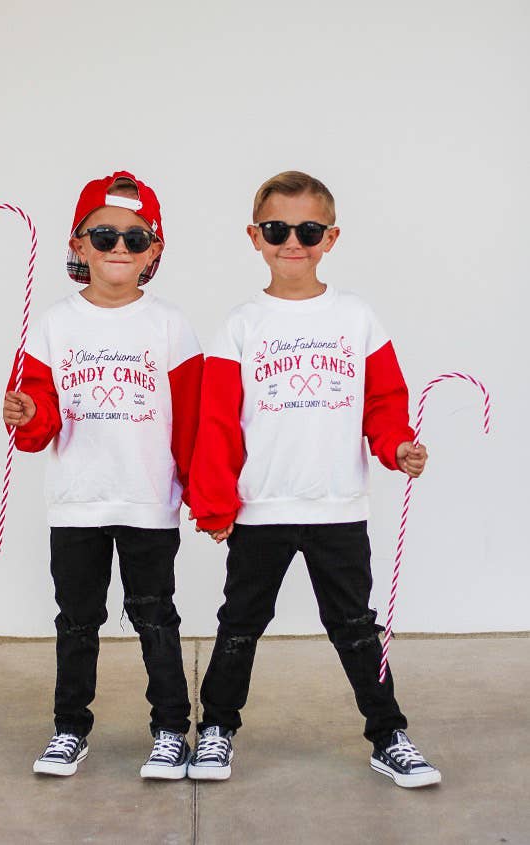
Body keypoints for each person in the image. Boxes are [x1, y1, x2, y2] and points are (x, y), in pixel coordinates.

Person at [187, 170, 441, 788]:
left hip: (338, 508)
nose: (292, 241)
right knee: (240, 623)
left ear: (331, 237)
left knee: (356, 627)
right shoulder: (240, 325)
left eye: (307, 230)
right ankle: (216, 730)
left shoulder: (356, 317)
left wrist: (396, 446)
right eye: (277, 229)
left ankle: (388, 735)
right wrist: (215, 505)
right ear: (255, 236)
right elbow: (217, 424)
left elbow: (382, 404)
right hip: (261, 508)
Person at [3, 171, 203, 779]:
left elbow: (192, 423)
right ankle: (69, 729)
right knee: (77, 620)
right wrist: (26, 415)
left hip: (147, 500)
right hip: (78, 504)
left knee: (156, 615)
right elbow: (34, 424)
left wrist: (207, 499)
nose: (119, 248)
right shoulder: (52, 326)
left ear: (155, 251)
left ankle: (171, 729)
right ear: (78, 244)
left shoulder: (170, 326)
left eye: (135, 239)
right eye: (105, 235)